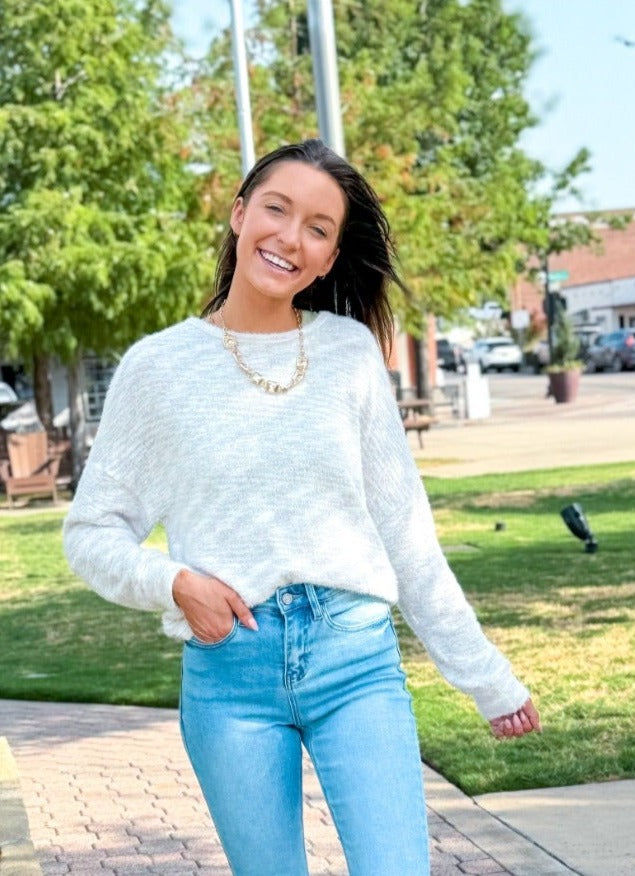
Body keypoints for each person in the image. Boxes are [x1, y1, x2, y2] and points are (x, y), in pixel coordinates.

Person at [63, 138, 540, 876]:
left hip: (354, 658)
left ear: (326, 258)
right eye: (276, 209)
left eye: (317, 228)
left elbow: (405, 534)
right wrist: (174, 583)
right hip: (230, 674)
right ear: (238, 214)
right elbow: (91, 532)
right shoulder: (158, 368)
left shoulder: (349, 354)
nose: (289, 236)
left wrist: (485, 677)